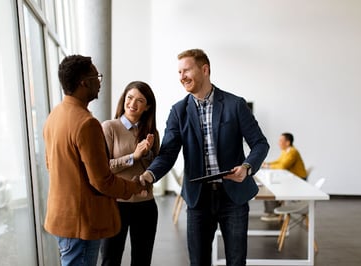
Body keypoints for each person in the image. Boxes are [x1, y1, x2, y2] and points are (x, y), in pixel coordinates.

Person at [139, 49, 269, 266]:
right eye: (179, 72)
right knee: (198, 262)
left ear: (205, 69)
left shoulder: (235, 105)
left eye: (186, 70)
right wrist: (149, 174)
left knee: (236, 261)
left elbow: (260, 143)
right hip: (198, 199)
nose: (181, 76)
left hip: (234, 198)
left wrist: (246, 167)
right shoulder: (178, 111)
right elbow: (169, 153)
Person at [43, 55, 147, 266]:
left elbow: (50, 164)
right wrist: (133, 187)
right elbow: (101, 180)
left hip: (62, 218)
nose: (100, 82)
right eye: (96, 76)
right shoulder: (86, 123)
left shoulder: (55, 115)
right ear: (84, 82)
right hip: (81, 223)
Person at [99, 81, 160, 266]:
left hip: (146, 206)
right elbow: (104, 168)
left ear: (147, 106)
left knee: (142, 260)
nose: (133, 104)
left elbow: (157, 168)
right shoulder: (109, 127)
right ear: (123, 99)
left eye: (140, 100)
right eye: (130, 97)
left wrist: (148, 153)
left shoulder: (152, 133)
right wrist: (133, 156)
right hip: (116, 205)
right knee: (110, 260)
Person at [260, 132, 307, 221]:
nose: (279, 142)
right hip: (291, 178)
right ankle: (273, 211)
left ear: (288, 142)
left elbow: (283, 166)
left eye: (281, 140)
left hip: (298, 180)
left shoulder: (292, 152)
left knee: (271, 188)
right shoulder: (285, 151)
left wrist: (267, 166)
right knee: (271, 186)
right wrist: (266, 164)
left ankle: (274, 213)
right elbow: (278, 162)